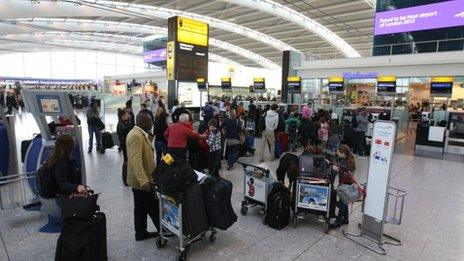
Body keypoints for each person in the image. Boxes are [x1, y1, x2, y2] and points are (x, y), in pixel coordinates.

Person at [126, 112, 159, 241]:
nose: (152, 123)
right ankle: (164, 231)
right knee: (153, 207)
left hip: (139, 180)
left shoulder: (140, 134)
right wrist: (144, 181)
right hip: (142, 181)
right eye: (150, 121)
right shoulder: (135, 136)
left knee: (140, 208)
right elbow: (136, 161)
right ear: (143, 122)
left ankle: (140, 232)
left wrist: (149, 137)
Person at [329, 145, 356, 228]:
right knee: (344, 202)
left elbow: (348, 174)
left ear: (343, 153)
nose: (337, 153)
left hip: (346, 184)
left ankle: (338, 222)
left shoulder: (348, 161)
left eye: (338, 152)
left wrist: (337, 169)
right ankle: (345, 219)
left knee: (342, 203)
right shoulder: (346, 159)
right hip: (345, 183)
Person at [117, 108, 131, 186]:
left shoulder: (124, 123)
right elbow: (121, 138)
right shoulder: (120, 125)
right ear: (122, 116)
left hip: (127, 145)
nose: (128, 116)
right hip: (125, 146)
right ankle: (125, 179)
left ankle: (127, 177)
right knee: (126, 161)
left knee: (127, 161)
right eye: (126, 115)